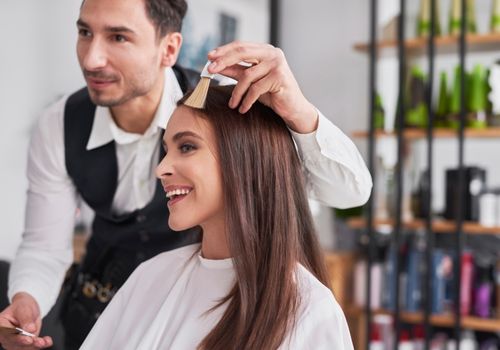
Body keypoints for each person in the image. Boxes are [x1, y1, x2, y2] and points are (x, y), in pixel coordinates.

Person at [0, 0, 371, 348]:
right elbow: (44, 245)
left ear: (169, 48)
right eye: (84, 33)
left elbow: (350, 192)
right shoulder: (60, 125)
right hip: (104, 308)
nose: (92, 58)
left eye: (118, 37)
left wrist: (299, 110)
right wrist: (27, 300)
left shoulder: (227, 109)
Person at [80, 84, 354, 350]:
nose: (161, 169)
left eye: (186, 147)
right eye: (165, 150)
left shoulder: (309, 311)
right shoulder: (150, 277)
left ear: (244, 158)